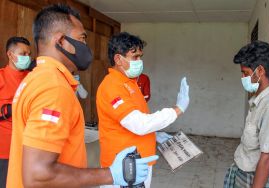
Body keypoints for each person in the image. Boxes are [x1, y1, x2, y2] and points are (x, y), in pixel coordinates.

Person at [6, 4, 157, 188]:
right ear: (61, 41)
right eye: (82, 39)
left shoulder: (36, 78)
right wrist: (110, 174)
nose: (86, 47)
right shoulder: (53, 87)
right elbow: (38, 175)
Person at [96, 32, 190, 188]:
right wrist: (177, 109)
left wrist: (154, 134)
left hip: (137, 163)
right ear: (118, 59)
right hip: (123, 167)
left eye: (141, 56)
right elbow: (139, 124)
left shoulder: (129, 83)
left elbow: (133, 118)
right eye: (135, 57)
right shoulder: (112, 85)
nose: (140, 61)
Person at [224, 41, 269, 188]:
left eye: (245, 73)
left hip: (258, 180)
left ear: (260, 71)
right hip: (245, 175)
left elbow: (266, 158)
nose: (242, 78)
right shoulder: (258, 102)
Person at [0, 36, 31, 188]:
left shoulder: (31, 78)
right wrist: (12, 108)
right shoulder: (1, 77)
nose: (27, 57)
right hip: (4, 151)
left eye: (28, 54)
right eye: (23, 54)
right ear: (10, 54)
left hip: (28, 148)